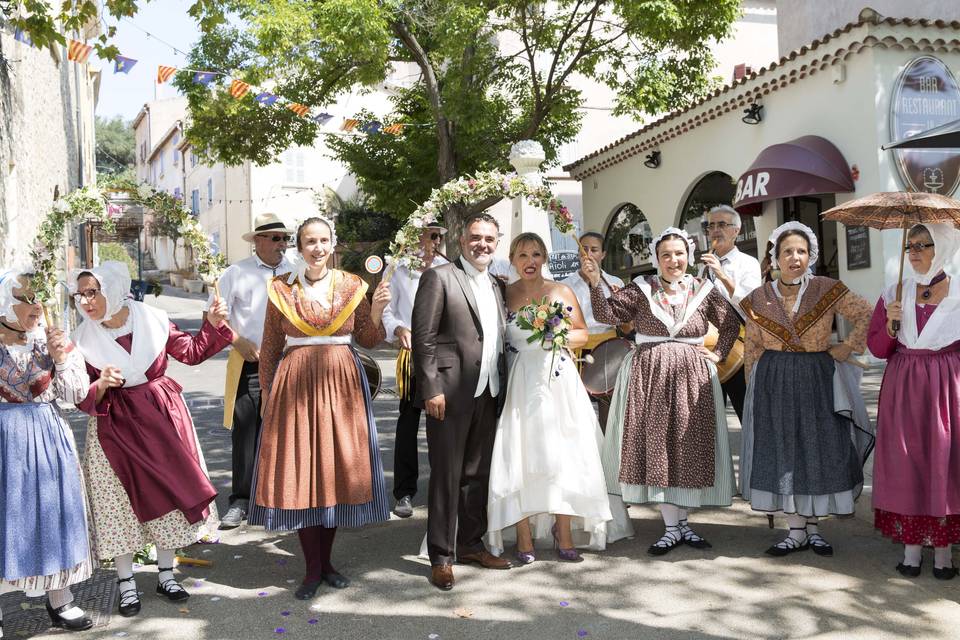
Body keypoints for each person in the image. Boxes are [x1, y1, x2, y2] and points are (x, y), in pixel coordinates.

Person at [71, 261, 232, 617]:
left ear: (111, 290)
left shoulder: (152, 319)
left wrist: (214, 325)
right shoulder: (82, 339)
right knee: (119, 502)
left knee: (169, 492)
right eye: (80, 294)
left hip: (161, 418)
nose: (85, 301)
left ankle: (166, 574)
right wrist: (100, 385)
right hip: (114, 426)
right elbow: (80, 394)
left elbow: (190, 352)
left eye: (92, 292)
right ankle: (126, 582)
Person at [247, 216, 392, 600]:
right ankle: (312, 570)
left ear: (333, 244)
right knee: (302, 475)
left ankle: (326, 564)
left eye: (324, 240)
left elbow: (369, 339)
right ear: (299, 247)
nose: (317, 247)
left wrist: (376, 310)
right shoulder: (282, 289)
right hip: (295, 384)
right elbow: (271, 345)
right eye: (310, 241)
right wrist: (266, 393)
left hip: (342, 382)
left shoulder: (351, 286)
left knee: (334, 473)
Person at [584, 227, 742, 555]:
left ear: (689, 256)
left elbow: (729, 323)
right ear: (657, 258)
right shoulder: (640, 289)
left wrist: (719, 353)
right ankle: (672, 527)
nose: (673, 260)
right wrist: (595, 283)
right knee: (660, 446)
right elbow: (605, 314)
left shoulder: (703, 289)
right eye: (666, 254)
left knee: (687, 445)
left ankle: (682, 524)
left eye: (679, 254)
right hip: (650, 376)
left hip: (692, 377)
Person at [486, 233, 632, 565]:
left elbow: (582, 332)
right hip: (522, 380)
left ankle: (563, 530)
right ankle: (523, 533)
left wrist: (558, 334)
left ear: (545, 258)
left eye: (536, 254)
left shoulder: (560, 291)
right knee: (520, 453)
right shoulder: (504, 295)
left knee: (562, 451)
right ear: (512, 258)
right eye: (523, 254)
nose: (530, 261)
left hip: (559, 379)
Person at [739, 222, 874, 557]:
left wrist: (848, 345)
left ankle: (814, 529)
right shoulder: (759, 298)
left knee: (818, 447)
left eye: (801, 251)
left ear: (810, 254)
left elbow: (867, 314)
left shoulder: (826, 288)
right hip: (774, 378)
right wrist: (753, 389)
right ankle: (795, 529)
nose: (795, 257)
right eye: (788, 251)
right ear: (775, 258)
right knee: (784, 451)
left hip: (817, 376)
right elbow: (753, 347)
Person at [412, 212, 512, 591]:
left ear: (496, 242)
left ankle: (471, 544)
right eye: (475, 237)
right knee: (445, 476)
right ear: (462, 239)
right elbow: (423, 338)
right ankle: (441, 555)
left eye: (489, 238)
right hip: (449, 393)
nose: (481, 244)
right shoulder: (438, 277)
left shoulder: (498, 285)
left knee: (477, 474)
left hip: (488, 390)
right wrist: (431, 388)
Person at [0, 269, 94, 634]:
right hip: (5, 438)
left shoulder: (52, 339)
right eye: (27, 299)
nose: (37, 307)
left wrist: (61, 359)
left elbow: (75, 396)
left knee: (53, 512)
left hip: (47, 435)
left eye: (39, 298)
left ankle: (61, 599)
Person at [867, 223, 960, 580]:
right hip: (904, 385)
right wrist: (890, 325)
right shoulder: (895, 290)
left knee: (944, 460)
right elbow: (876, 348)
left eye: (925, 244)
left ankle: (943, 553)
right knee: (909, 461)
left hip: (947, 387)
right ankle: (911, 549)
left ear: (945, 247)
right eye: (911, 245)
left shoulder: (957, 289)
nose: (915, 251)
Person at [211, 213, 294, 529]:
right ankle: (242, 500)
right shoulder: (236, 273)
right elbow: (216, 317)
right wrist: (237, 341)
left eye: (284, 238)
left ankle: (281, 499)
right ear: (258, 241)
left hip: (288, 362)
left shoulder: (295, 272)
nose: (282, 244)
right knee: (246, 431)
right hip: (250, 360)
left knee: (286, 431)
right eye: (275, 238)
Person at [382, 225, 449, 518]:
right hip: (411, 356)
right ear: (412, 238)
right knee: (408, 422)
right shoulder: (397, 270)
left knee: (444, 422)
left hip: (444, 355)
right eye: (427, 235)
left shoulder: (449, 268)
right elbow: (386, 310)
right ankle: (404, 492)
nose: (432, 241)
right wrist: (398, 328)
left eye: (436, 236)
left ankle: (442, 488)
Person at [699, 205, 761, 422]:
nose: (716, 230)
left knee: (748, 415)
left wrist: (722, 274)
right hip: (709, 349)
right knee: (711, 418)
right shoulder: (703, 268)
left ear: (736, 231)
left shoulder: (749, 263)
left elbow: (751, 305)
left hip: (741, 350)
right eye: (711, 225)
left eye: (722, 225)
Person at [561, 232, 624, 428]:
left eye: (594, 250)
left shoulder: (614, 283)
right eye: (584, 249)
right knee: (578, 405)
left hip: (608, 349)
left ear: (603, 254)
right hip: (578, 349)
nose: (587, 254)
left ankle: (609, 450)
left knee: (608, 405)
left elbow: (623, 320)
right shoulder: (565, 285)